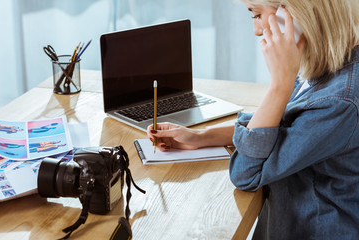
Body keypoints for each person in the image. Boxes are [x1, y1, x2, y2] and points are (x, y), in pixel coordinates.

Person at [147, 0, 359, 239]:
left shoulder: (338, 103)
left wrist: (280, 84)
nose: (257, 30)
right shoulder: (331, 65)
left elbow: (246, 173)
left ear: (294, 13)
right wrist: (200, 137)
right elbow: (281, 127)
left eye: (256, 15)